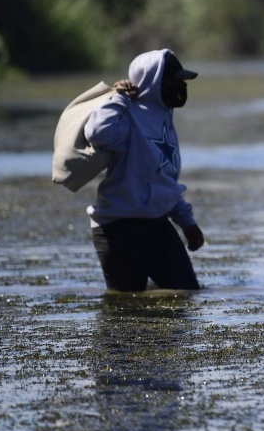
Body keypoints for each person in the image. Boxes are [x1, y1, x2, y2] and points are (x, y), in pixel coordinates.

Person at [84, 49, 205, 291]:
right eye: (174, 80)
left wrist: (187, 222)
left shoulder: (164, 118)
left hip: (157, 223)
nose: (180, 86)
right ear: (154, 82)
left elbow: (165, 181)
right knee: (126, 308)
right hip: (119, 227)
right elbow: (97, 133)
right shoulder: (126, 113)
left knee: (186, 292)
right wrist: (119, 98)